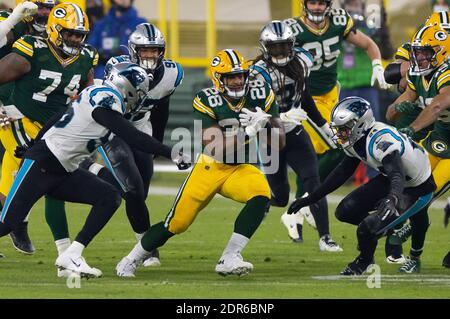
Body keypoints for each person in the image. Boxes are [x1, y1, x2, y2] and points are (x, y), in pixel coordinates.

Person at [0, 62, 190, 278]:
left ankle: (72, 254)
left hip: (63, 168)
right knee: (7, 224)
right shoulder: (107, 100)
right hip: (44, 163)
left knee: (109, 197)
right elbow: (133, 136)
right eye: (139, 92)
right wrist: (171, 152)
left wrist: (35, 142)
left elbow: (59, 116)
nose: (140, 97)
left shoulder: (96, 92)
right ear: (128, 88)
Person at [115, 49, 286, 278]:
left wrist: (267, 125)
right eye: (231, 77)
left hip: (238, 168)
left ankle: (230, 257)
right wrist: (248, 131)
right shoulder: (206, 99)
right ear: (219, 79)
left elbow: (278, 144)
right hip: (210, 166)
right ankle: (131, 259)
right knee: (176, 223)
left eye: (241, 75)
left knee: (261, 195)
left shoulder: (261, 93)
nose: (237, 81)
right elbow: (215, 147)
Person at [287, 96, 436, 274]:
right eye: (338, 128)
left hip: (417, 187)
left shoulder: (380, 140)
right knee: (345, 211)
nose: (340, 132)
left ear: (359, 124)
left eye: (343, 128)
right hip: (392, 179)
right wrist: (311, 198)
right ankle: (391, 227)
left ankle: (364, 261)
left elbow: (397, 174)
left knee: (367, 227)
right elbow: (342, 172)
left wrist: (392, 199)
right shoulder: (355, 139)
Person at [80, 23, 184, 267]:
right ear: (134, 50)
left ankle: (94, 172)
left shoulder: (171, 74)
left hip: (141, 128)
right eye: (145, 50)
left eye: (154, 50)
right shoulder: (118, 67)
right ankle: (147, 251)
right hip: (114, 128)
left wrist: (155, 143)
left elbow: (161, 109)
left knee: (140, 194)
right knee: (133, 188)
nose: (150, 55)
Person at [282, 0, 389, 237]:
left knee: (343, 148)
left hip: (331, 95)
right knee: (326, 150)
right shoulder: (293, 29)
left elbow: (369, 44)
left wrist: (377, 66)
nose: (318, 7)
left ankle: (303, 202)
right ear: (305, 4)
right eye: (313, 2)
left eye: (322, 2)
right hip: (306, 98)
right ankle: (304, 203)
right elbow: (276, 60)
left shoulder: (339, 22)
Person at [0, 2, 93, 256]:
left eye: (79, 35)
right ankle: (20, 222)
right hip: (15, 114)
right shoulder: (28, 43)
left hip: (51, 125)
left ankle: (15, 220)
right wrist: (10, 22)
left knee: (13, 182)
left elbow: (87, 93)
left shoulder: (85, 58)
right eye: (69, 33)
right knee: (37, 165)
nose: (75, 39)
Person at [250, 20, 342, 251]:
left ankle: (325, 237)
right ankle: (263, 204)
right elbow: (254, 110)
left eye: (284, 46)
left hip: (296, 133)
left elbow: (306, 96)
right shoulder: (257, 73)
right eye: (275, 47)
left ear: (292, 45)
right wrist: (279, 116)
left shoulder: (302, 61)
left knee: (313, 182)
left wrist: (324, 125)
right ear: (265, 48)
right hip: (270, 137)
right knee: (280, 197)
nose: (280, 52)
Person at [87, 0, 146, 78]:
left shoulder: (140, 24)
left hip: (128, 76)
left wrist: (123, 54)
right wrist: (100, 55)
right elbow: (90, 50)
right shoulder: (101, 24)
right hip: (101, 77)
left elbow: (144, 53)